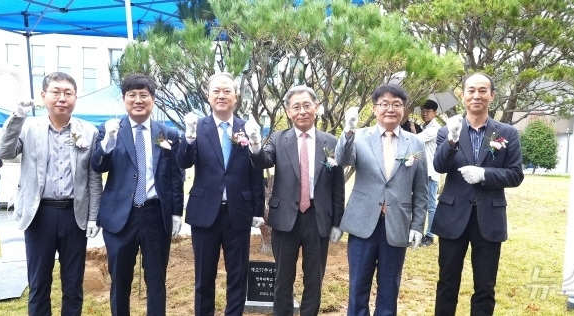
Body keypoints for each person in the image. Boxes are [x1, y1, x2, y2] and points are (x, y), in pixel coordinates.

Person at [0, 72, 103, 315]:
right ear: (44, 96)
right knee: (39, 284)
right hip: (39, 214)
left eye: (68, 93)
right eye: (56, 92)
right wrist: (16, 117)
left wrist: (94, 216)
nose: (62, 98)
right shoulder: (28, 127)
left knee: (73, 285)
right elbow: (4, 151)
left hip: (74, 215)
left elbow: (94, 179)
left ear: (76, 98)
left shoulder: (88, 131)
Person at [246, 85, 345, 316]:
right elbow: (264, 161)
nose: (302, 111)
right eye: (296, 107)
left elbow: (337, 187)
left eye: (307, 105)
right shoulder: (279, 139)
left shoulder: (331, 142)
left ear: (317, 108)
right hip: (285, 220)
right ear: (288, 111)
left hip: (317, 219)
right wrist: (255, 144)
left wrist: (338, 222)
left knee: (314, 279)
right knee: (283, 279)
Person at [91, 73, 184, 316]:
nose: (138, 100)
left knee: (156, 281)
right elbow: (97, 165)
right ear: (124, 99)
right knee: (120, 281)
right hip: (120, 218)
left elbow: (175, 177)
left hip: (155, 215)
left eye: (144, 95)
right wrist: (108, 142)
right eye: (132, 95)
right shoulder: (110, 130)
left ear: (153, 99)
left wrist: (176, 212)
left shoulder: (168, 134)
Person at [432, 73, 524, 315]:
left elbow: (515, 174)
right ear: (462, 95)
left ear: (492, 96)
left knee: (485, 285)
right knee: (447, 283)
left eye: (483, 91)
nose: (476, 96)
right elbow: (439, 166)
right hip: (453, 216)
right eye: (471, 90)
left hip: (489, 217)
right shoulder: (447, 130)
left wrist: (485, 174)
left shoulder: (507, 132)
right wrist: (451, 141)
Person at [176, 72, 265, 316]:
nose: (221, 95)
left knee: (237, 276)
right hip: (205, 214)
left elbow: (256, 171)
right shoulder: (198, 127)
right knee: (204, 277)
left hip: (238, 212)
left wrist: (258, 209)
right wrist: (189, 137)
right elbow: (183, 162)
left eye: (227, 91)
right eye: (216, 91)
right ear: (208, 96)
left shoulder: (247, 128)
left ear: (236, 96)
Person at [335, 83, 428, 315]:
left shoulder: (414, 143)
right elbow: (343, 159)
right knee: (358, 286)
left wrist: (417, 225)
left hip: (396, 224)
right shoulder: (359, 136)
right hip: (363, 223)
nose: (390, 109)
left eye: (396, 104)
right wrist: (347, 131)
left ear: (404, 109)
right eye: (384, 104)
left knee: (389, 288)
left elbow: (421, 188)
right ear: (375, 109)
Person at [416, 100, 441, 247]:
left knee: (431, 205)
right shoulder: (426, 127)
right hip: (424, 171)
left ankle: (430, 235)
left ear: (435, 113)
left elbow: (416, 139)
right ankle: (421, 233)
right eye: (423, 111)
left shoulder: (434, 128)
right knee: (420, 203)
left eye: (428, 111)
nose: (424, 114)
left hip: (431, 172)